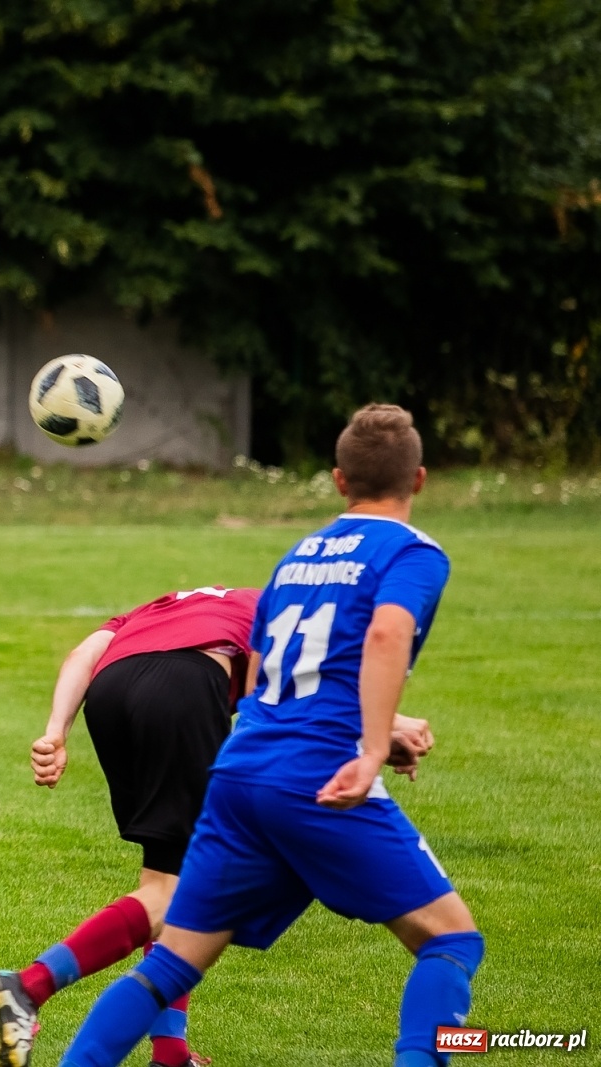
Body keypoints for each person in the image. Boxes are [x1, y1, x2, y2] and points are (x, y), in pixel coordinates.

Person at [55, 405, 480, 1067]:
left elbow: (262, 683)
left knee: (173, 961)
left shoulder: (296, 558)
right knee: (452, 940)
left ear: (339, 480)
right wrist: (371, 746)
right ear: (420, 479)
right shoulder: (411, 552)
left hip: (239, 772)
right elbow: (387, 634)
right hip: (316, 774)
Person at [0, 586, 433, 1067]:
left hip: (110, 692)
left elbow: (82, 655)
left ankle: (170, 1053)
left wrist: (55, 732)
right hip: (185, 686)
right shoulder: (272, 602)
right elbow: (297, 686)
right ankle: (30, 985)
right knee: (180, 896)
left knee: (166, 883)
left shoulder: (155, 608)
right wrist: (385, 727)